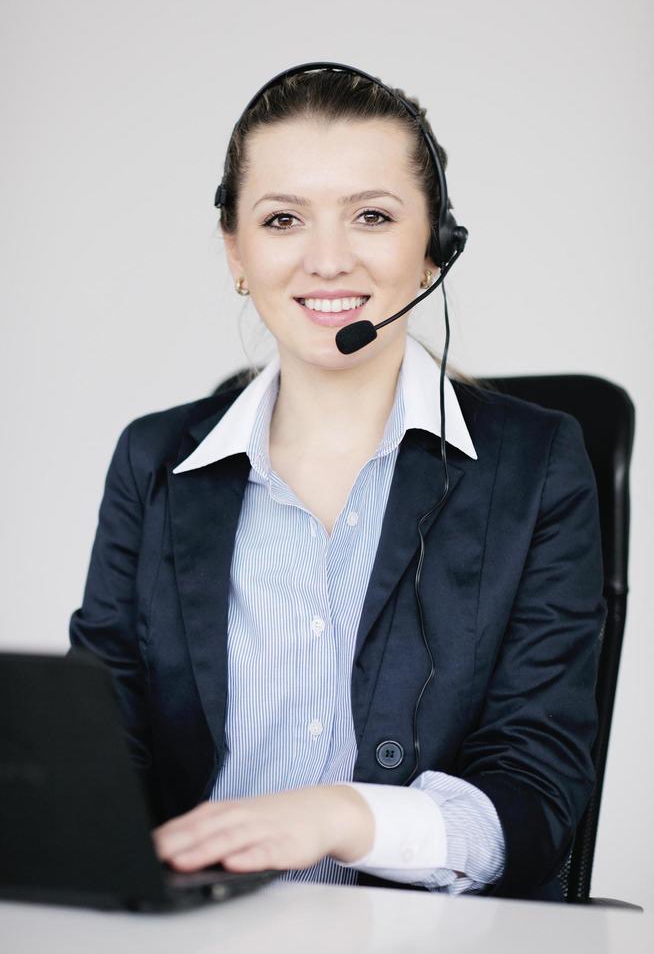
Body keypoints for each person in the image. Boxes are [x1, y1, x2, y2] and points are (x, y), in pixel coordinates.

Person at [68, 67, 607, 902]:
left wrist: (344, 817)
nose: (327, 260)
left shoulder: (536, 466)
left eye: (372, 216)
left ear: (435, 248)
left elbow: (536, 788)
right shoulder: (155, 463)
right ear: (235, 251)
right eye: (283, 219)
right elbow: (101, 751)